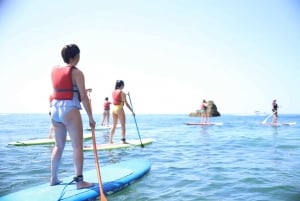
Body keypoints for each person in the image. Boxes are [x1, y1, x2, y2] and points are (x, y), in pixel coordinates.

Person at [49, 44, 95, 189]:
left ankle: (53, 179)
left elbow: (64, 87)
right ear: (75, 56)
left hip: (54, 109)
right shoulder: (77, 72)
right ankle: (80, 182)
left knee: (59, 145)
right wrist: (91, 118)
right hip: (69, 110)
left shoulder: (54, 69)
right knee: (77, 146)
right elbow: (83, 97)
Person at [109, 80, 134, 144]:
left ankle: (110, 140)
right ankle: (123, 141)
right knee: (123, 126)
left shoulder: (113, 92)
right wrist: (132, 111)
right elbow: (126, 103)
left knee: (114, 125)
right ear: (122, 85)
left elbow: (118, 97)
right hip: (119, 109)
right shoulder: (122, 93)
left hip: (114, 109)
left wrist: (126, 94)